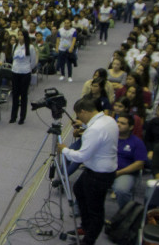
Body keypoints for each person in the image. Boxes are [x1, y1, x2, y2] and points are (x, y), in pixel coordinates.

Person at [57, 99, 118, 245]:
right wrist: (84, 126)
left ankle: (89, 240)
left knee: (95, 210)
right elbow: (97, 135)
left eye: (79, 115)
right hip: (101, 169)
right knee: (78, 189)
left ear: (84, 111)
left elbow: (82, 156)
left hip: (98, 173)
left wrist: (64, 150)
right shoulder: (108, 120)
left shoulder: (95, 129)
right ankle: (85, 227)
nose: (78, 118)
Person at [111, 114, 148, 210]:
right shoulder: (109, 138)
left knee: (121, 190)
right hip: (106, 170)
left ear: (131, 127)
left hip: (125, 173)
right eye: (117, 122)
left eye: (122, 123)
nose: (118, 124)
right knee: (86, 183)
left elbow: (139, 164)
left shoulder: (137, 142)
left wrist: (119, 172)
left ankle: (125, 214)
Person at [10, 30, 37, 124]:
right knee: (15, 95)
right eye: (19, 35)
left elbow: (33, 61)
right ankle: (13, 116)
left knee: (23, 95)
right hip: (15, 71)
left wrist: (28, 68)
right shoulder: (14, 46)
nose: (20, 37)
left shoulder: (30, 47)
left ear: (25, 36)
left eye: (21, 35)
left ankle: (22, 117)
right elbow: (12, 58)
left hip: (25, 72)